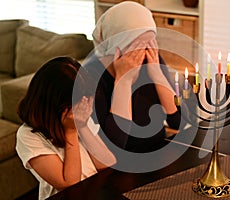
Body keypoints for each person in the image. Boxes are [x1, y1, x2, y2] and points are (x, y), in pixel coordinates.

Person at [84, 1, 183, 153]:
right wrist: (123, 81)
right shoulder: (90, 76)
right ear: (116, 43)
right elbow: (114, 144)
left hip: (158, 152)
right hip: (120, 163)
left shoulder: (151, 59)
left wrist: (157, 74)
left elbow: (179, 122)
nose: (144, 50)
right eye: (137, 44)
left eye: (150, 42)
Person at [15, 56, 116, 200]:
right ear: (57, 105)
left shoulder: (78, 117)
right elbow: (70, 184)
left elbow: (107, 162)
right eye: (78, 101)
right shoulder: (28, 136)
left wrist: (82, 127)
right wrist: (71, 132)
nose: (85, 106)